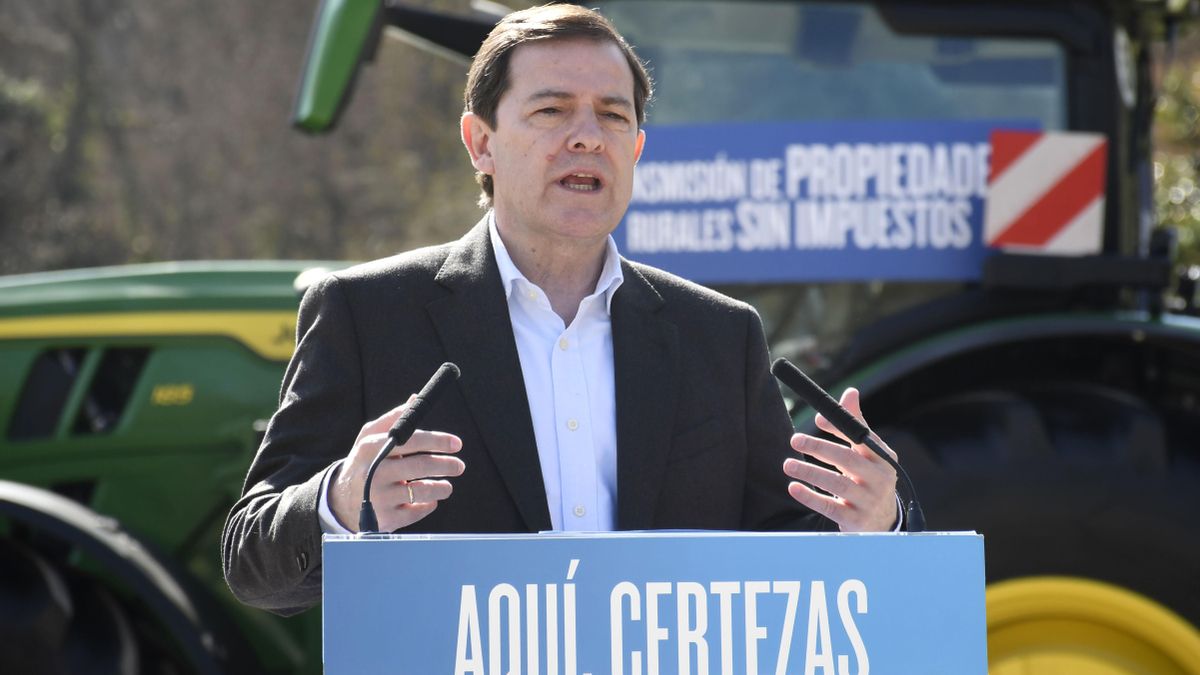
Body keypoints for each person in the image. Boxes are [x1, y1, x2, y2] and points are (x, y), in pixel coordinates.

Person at [221, 3, 900, 617]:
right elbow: (252, 561)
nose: (588, 136)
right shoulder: (365, 314)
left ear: (635, 149)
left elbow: (785, 552)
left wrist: (875, 521)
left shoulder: (721, 335)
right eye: (552, 110)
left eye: (613, 113)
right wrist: (341, 501)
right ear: (480, 142)